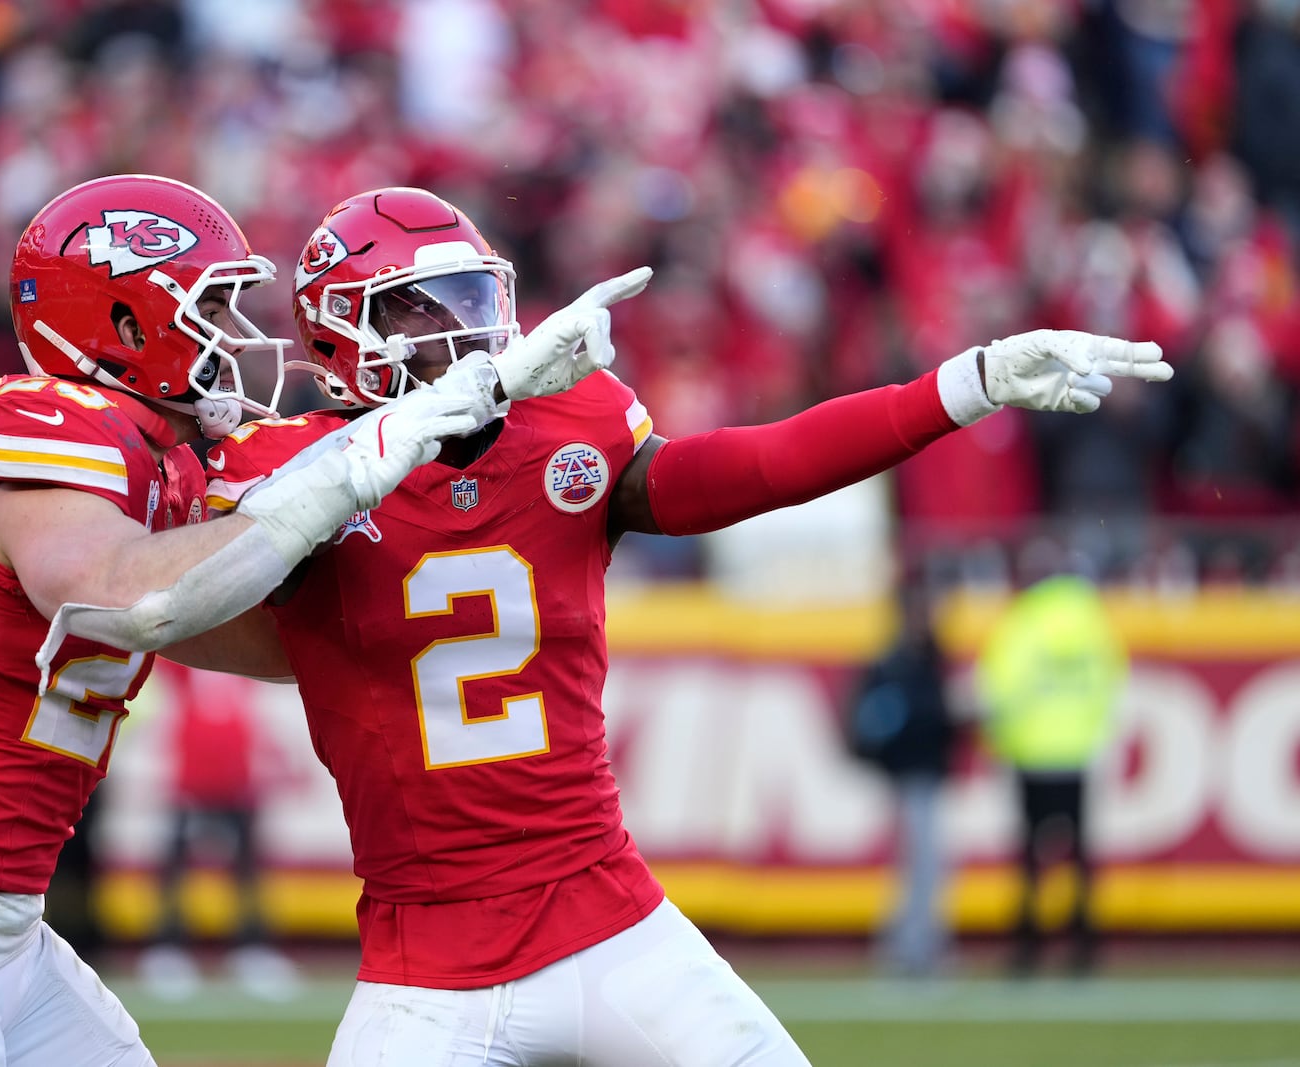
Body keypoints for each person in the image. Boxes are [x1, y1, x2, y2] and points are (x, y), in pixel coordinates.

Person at [190, 186, 1174, 1067]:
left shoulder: (567, 420)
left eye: (471, 297)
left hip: (608, 917)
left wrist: (969, 380)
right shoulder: (290, 469)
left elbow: (757, 464)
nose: (466, 329)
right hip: (424, 963)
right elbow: (166, 585)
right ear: (336, 332)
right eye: (421, 306)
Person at [0, 173, 624, 1067]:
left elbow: (280, 633)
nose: (238, 338)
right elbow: (131, 596)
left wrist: (487, 493)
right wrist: (356, 463)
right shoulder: (47, 424)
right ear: (124, 326)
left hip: (2, 926)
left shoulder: (162, 470)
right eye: (212, 308)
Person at [975, 569, 1127, 976]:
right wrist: (1091, 733)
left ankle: (1029, 942)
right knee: (1079, 853)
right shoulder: (1090, 618)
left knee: (1030, 855)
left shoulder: (1023, 620)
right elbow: (1109, 680)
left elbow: (1002, 686)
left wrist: (1000, 739)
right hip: (1076, 752)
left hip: (1031, 752)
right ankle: (1084, 941)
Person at [137, 660, 303, 1001]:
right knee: (176, 871)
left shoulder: (243, 667)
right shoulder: (183, 666)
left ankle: (252, 948)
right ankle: (169, 948)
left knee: (247, 872)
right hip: (192, 780)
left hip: (237, 779)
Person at [844, 570, 961, 977]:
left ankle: (913, 946)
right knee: (922, 866)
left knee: (922, 866)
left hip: (924, 772)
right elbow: (892, 722)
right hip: (911, 773)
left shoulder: (923, 658)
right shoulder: (899, 662)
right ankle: (912, 950)